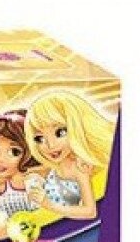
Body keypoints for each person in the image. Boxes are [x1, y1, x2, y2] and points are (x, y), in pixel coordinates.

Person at [23, 89, 113, 222]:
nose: (50, 145)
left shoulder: (79, 167)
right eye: (39, 139)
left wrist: (48, 205)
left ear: (78, 127)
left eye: (60, 132)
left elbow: (90, 211)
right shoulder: (59, 164)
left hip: (69, 227)